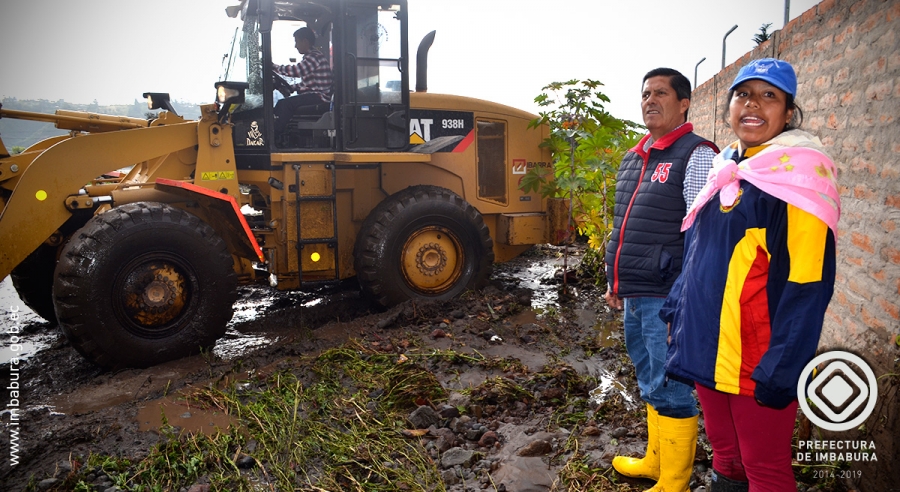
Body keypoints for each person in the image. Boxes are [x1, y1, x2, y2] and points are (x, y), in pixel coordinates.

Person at [662, 58, 840, 491]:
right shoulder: (727, 168)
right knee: (725, 453)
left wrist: (782, 367)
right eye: (743, 94)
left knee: (765, 467)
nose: (753, 105)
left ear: (788, 112)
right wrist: (675, 315)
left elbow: (808, 286)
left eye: (768, 96)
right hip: (705, 344)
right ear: (728, 108)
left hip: (755, 358)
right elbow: (698, 252)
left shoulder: (800, 179)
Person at [605, 68, 718, 491]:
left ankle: (674, 481)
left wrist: (685, 299)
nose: (650, 100)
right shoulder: (635, 157)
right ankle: (655, 462)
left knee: (671, 386)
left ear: (684, 102)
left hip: (668, 295)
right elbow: (622, 225)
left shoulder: (696, 154)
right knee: (649, 378)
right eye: (645, 93)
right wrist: (613, 278)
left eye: (661, 93)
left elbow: (704, 232)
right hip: (635, 292)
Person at [272, 27, 333, 136]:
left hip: (320, 97)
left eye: (297, 42)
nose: (296, 46)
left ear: (305, 41)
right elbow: (308, 84)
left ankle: (274, 136)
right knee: (284, 104)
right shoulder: (311, 57)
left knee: (285, 105)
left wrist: (273, 67)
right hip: (317, 94)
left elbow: (296, 71)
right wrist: (291, 87)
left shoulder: (314, 57)